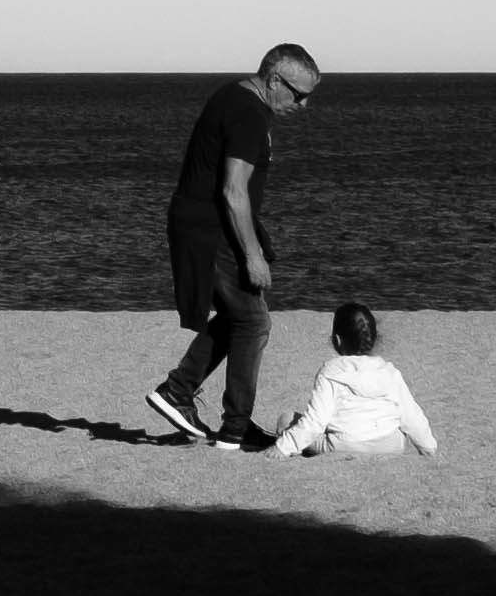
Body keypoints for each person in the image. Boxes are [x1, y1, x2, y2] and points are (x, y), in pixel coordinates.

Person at [144, 44, 320, 451]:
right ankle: (233, 428)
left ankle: (180, 392)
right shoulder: (247, 114)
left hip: (203, 224)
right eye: (298, 94)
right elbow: (233, 191)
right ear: (274, 79)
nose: (304, 104)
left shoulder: (237, 99)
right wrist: (253, 255)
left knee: (236, 317)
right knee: (254, 322)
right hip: (213, 228)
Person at [273, 302, 441, 458]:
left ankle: (292, 447)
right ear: (374, 338)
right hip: (389, 446)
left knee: (287, 419)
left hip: (343, 444)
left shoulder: (330, 371)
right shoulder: (389, 371)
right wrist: (428, 447)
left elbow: (316, 421)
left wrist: (282, 447)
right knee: (397, 427)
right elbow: (411, 415)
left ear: (337, 340)